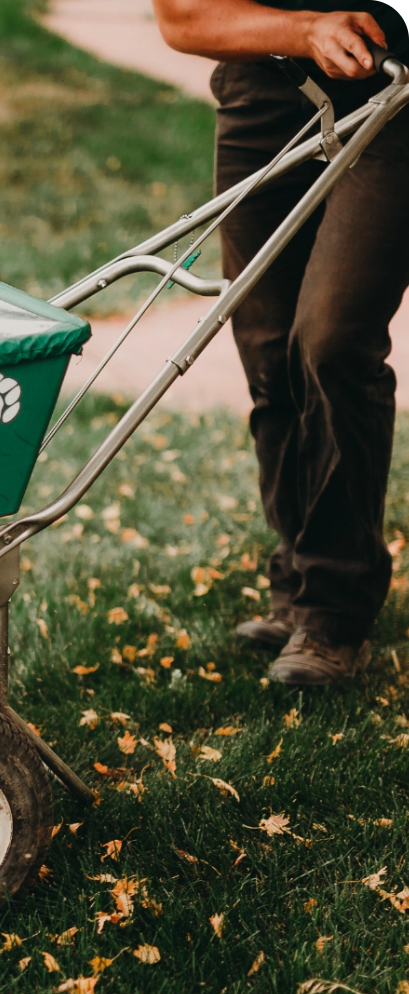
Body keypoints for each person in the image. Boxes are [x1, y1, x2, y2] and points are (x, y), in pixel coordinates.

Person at [151, 1, 409, 686]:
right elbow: (182, 18)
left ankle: (335, 610)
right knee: (268, 351)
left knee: (331, 339)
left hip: (392, 81)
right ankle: (300, 578)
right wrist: (301, 31)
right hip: (262, 89)